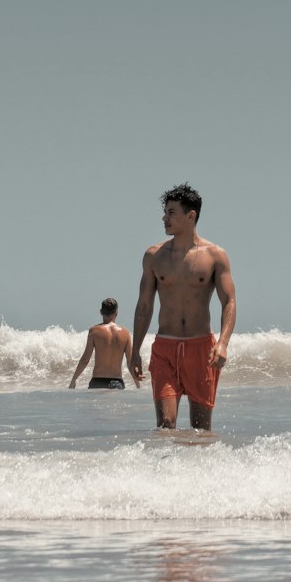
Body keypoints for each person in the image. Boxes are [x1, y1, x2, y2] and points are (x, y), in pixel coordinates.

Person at [131, 183, 236, 431]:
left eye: (171, 213)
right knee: (165, 424)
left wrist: (223, 343)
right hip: (165, 348)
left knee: (200, 428)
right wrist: (135, 350)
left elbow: (229, 301)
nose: (164, 218)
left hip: (202, 350)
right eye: (165, 212)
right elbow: (144, 306)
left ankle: (195, 470)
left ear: (191, 216)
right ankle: (166, 470)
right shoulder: (154, 256)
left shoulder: (215, 255)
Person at [69, 297, 137, 390]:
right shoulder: (125, 333)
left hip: (97, 382)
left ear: (101, 312)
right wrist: (138, 385)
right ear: (117, 312)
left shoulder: (94, 331)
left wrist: (73, 380)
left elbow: (85, 359)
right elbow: (130, 363)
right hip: (117, 382)